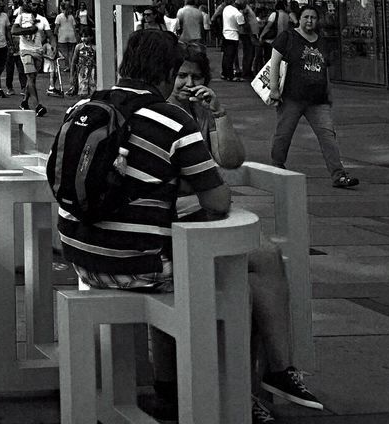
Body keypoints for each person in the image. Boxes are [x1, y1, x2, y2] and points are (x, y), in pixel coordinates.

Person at [58, 30, 232, 416]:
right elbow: (219, 202)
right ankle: (233, 391)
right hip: (133, 266)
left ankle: (168, 387)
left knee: (176, 256)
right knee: (232, 278)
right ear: (168, 72)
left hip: (79, 256)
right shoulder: (172, 119)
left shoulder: (85, 104)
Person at [151, 45, 323, 422]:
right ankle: (242, 391)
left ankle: (277, 371)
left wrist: (220, 114)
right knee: (246, 276)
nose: (188, 83)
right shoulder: (159, 117)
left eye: (195, 77)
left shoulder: (199, 113)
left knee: (265, 258)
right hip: (172, 227)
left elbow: (230, 159)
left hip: (200, 220)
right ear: (166, 77)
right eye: (181, 76)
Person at [268, 5, 358, 189]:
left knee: (328, 136)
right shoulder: (288, 37)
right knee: (284, 134)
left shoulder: (322, 41)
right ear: (299, 19)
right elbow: (275, 62)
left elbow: (324, 70)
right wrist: (274, 88)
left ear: (318, 21)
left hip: (318, 100)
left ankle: (339, 175)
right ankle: (277, 166)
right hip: (292, 97)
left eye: (313, 18)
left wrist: (329, 93)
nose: (309, 21)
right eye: (306, 17)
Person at [13, 0, 51, 117]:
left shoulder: (42, 19)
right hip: (25, 51)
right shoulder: (21, 17)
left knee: (32, 79)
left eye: (38, 5)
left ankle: (24, 102)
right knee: (30, 77)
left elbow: (50, 35)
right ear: (29, 4)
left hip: (38, 51)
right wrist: (30, 29)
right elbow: (13, 30)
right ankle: (37, 106)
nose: (36, 7)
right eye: (34, 4)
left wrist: (54, 47)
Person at [52, 1, 78, 96]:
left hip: (62, 37)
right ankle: (71, 67)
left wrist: (53, 35)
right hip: (71, 36)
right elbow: (75, 28)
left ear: (61, 8)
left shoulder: (59, 16)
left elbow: (56, 28)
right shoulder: (71, 16)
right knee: (72, 55)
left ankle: (70, 66)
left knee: (66, 55)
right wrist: (77, 38)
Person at [257, 0, 290, 72]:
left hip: (272, 41)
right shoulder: (287, 16)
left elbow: (268, 27)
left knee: (269, 60)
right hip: (283, 41)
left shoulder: (274, 14)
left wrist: (261, 36)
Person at [221, 0, 246, 81]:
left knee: (226, 56)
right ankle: (230, 76)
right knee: (231, 57)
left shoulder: (226, 8)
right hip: (233, 36)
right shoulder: (238, 14)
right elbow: (242, 28)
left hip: (225, 34)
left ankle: (224, 73)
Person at [72, 28, 97, 96]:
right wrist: (72, 74)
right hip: (82, 70)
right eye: (82, 36)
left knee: (93, 86)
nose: (83, 38)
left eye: (85, 36)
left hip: (93, 70)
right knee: (83, 87)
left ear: (91, 37)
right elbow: (74, 61)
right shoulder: (78, 47)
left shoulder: (95, 48)